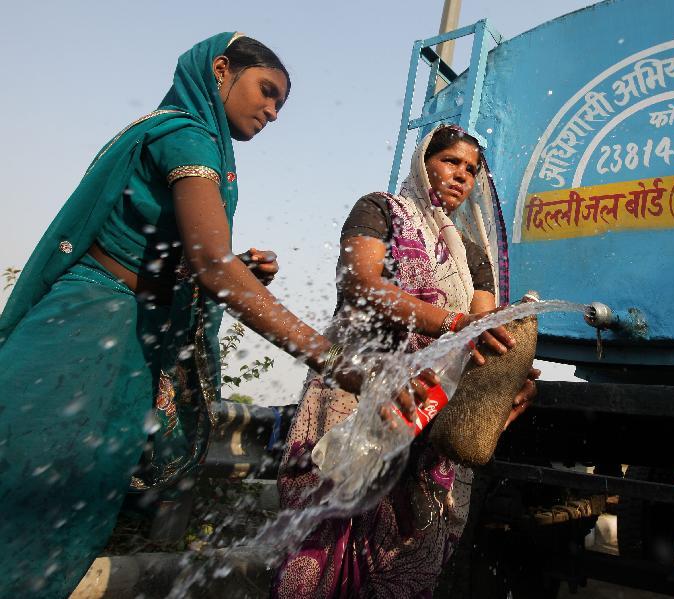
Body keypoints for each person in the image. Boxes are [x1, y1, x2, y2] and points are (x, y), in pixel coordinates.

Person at [0, 32, 419, 597]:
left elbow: (188, 261)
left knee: (67, 509)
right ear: (221, 70)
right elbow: (213, 271)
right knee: (30, 494)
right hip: (85, 333)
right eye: (266, 91)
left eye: (280, 104)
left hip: (125, 337)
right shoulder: (189, 137)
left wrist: (232, 266)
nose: (272, 112)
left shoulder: (203, 150)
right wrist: (339, 364)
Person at [274, 125, 540, 598]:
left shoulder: (472, 255)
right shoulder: (379, 211)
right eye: (450, 162)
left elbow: (481, 333)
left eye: (471, 170)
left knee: (406, 547)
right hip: (359, 387)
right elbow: (361, 284)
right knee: (325, 534)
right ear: (424, 162)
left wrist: (509, 374)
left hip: (428, 403)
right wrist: (453, 323)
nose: (461, 176)